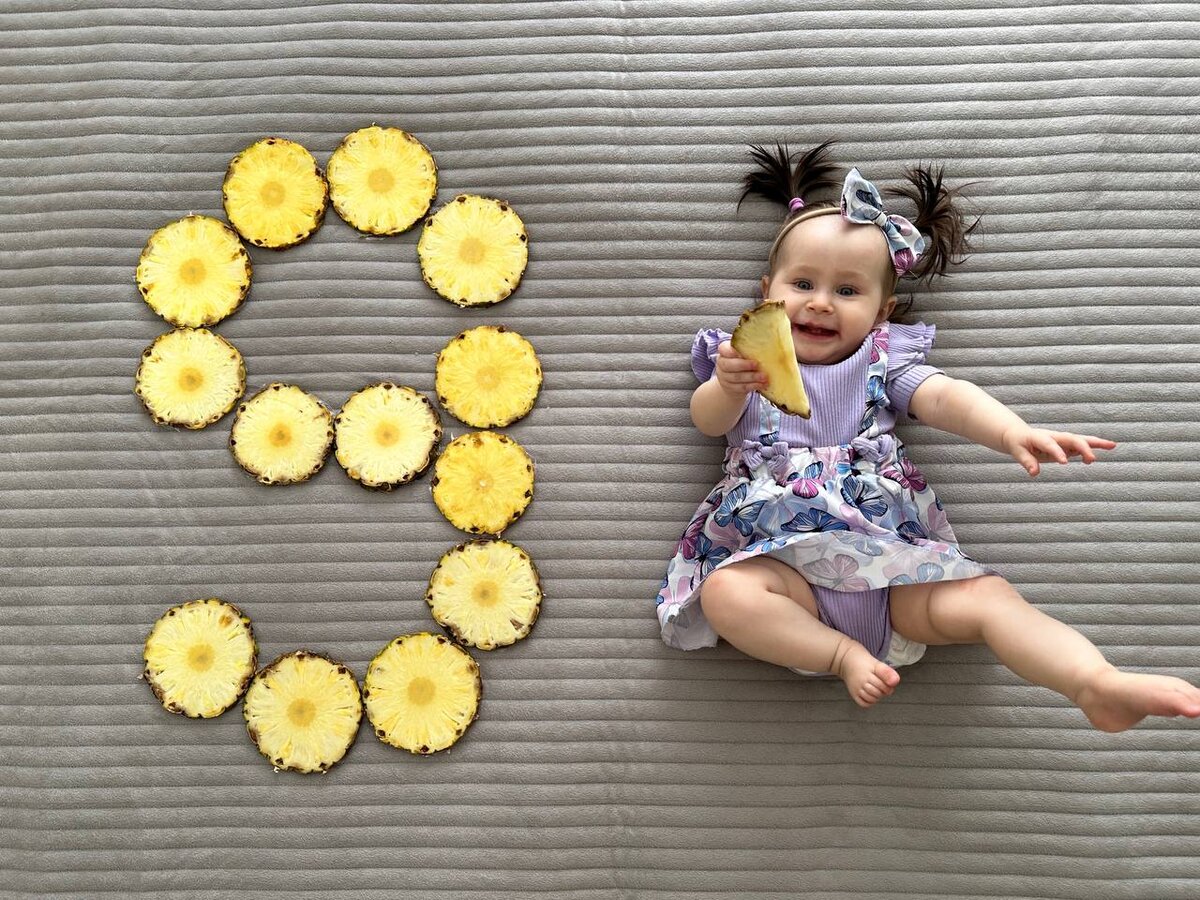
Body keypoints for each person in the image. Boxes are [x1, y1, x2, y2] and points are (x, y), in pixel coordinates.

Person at [654, 141, 1200, 732]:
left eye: (846, 291)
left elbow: (946, 397)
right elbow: (707, 421)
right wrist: (730, 387)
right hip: (785, 577)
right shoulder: (742, 361)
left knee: (991, 599)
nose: (819, 303)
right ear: (767, 291)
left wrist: (1011, 431)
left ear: (882, 312)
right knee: (725, 594)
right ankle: (840, 654)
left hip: (893, 576)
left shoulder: (883, 363)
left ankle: (1093, 681)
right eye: (802, 283)